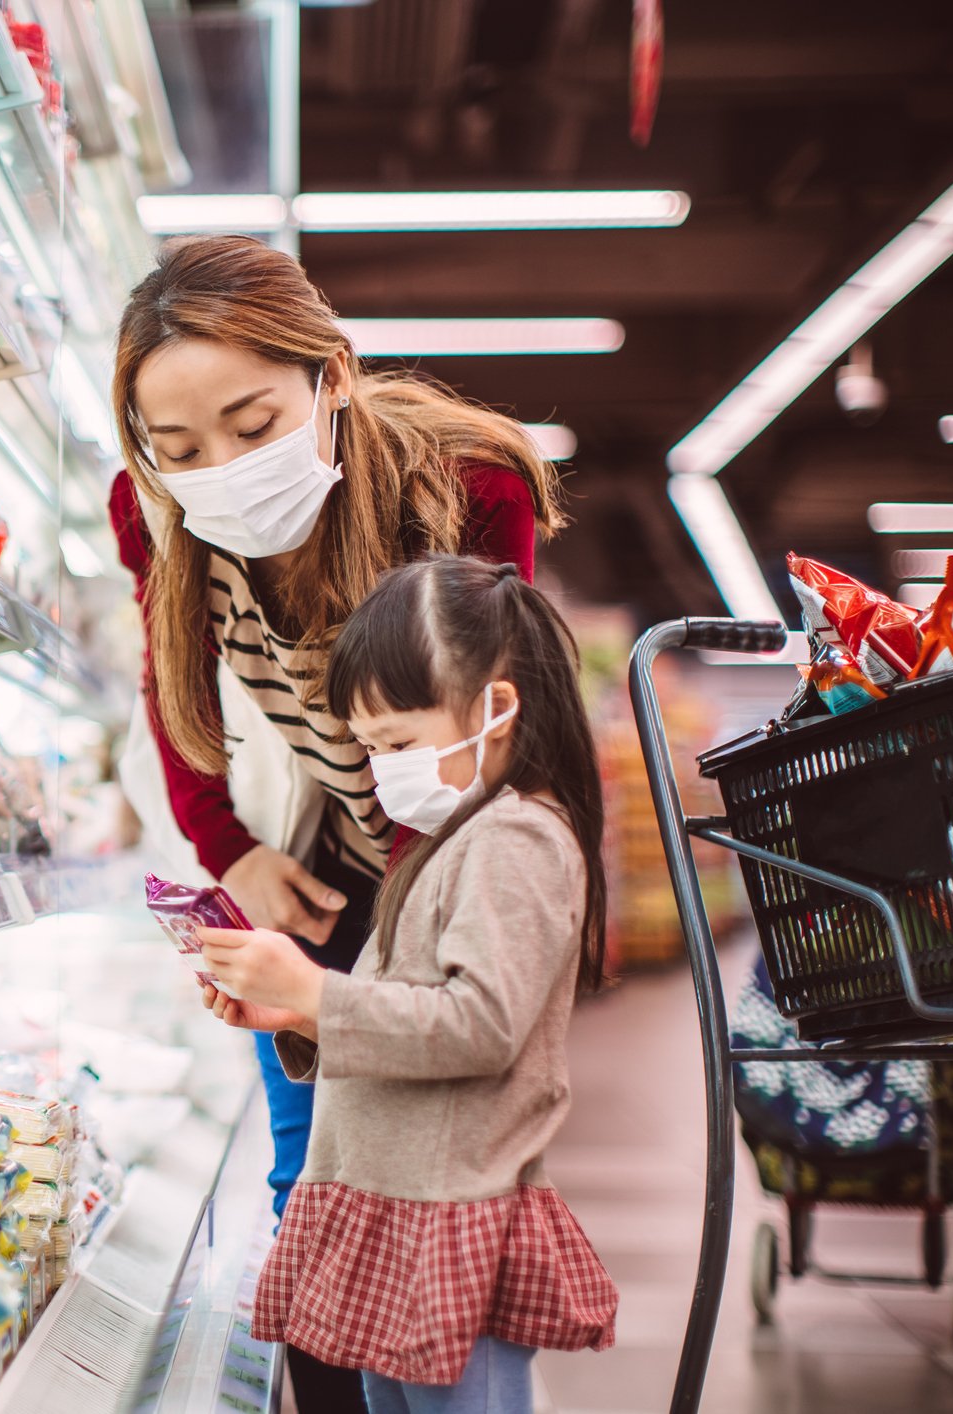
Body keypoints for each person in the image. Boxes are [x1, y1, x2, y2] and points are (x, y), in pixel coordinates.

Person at [109, 237, 563, 1243]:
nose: (217, 470)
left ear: (334, 377)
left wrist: (378, 990)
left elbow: (482, 750)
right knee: (305, 1195)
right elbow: (172, 687)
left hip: (445, 859)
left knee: (421, 1192)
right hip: (326, 863)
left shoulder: (463, 490)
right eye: (178, 449)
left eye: (254, 424)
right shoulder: (146, 510)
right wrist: (231, 851)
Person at [195, 555, 619, 1414]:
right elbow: (410, 1012)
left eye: (397, 743)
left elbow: (478, 1025)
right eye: (370, 746)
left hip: (449, 1217)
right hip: (399, 1213)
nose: (381, 769)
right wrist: (297, 1016)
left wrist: (319, 992)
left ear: (496, 710)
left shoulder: (517, 840)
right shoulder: (449, 839)